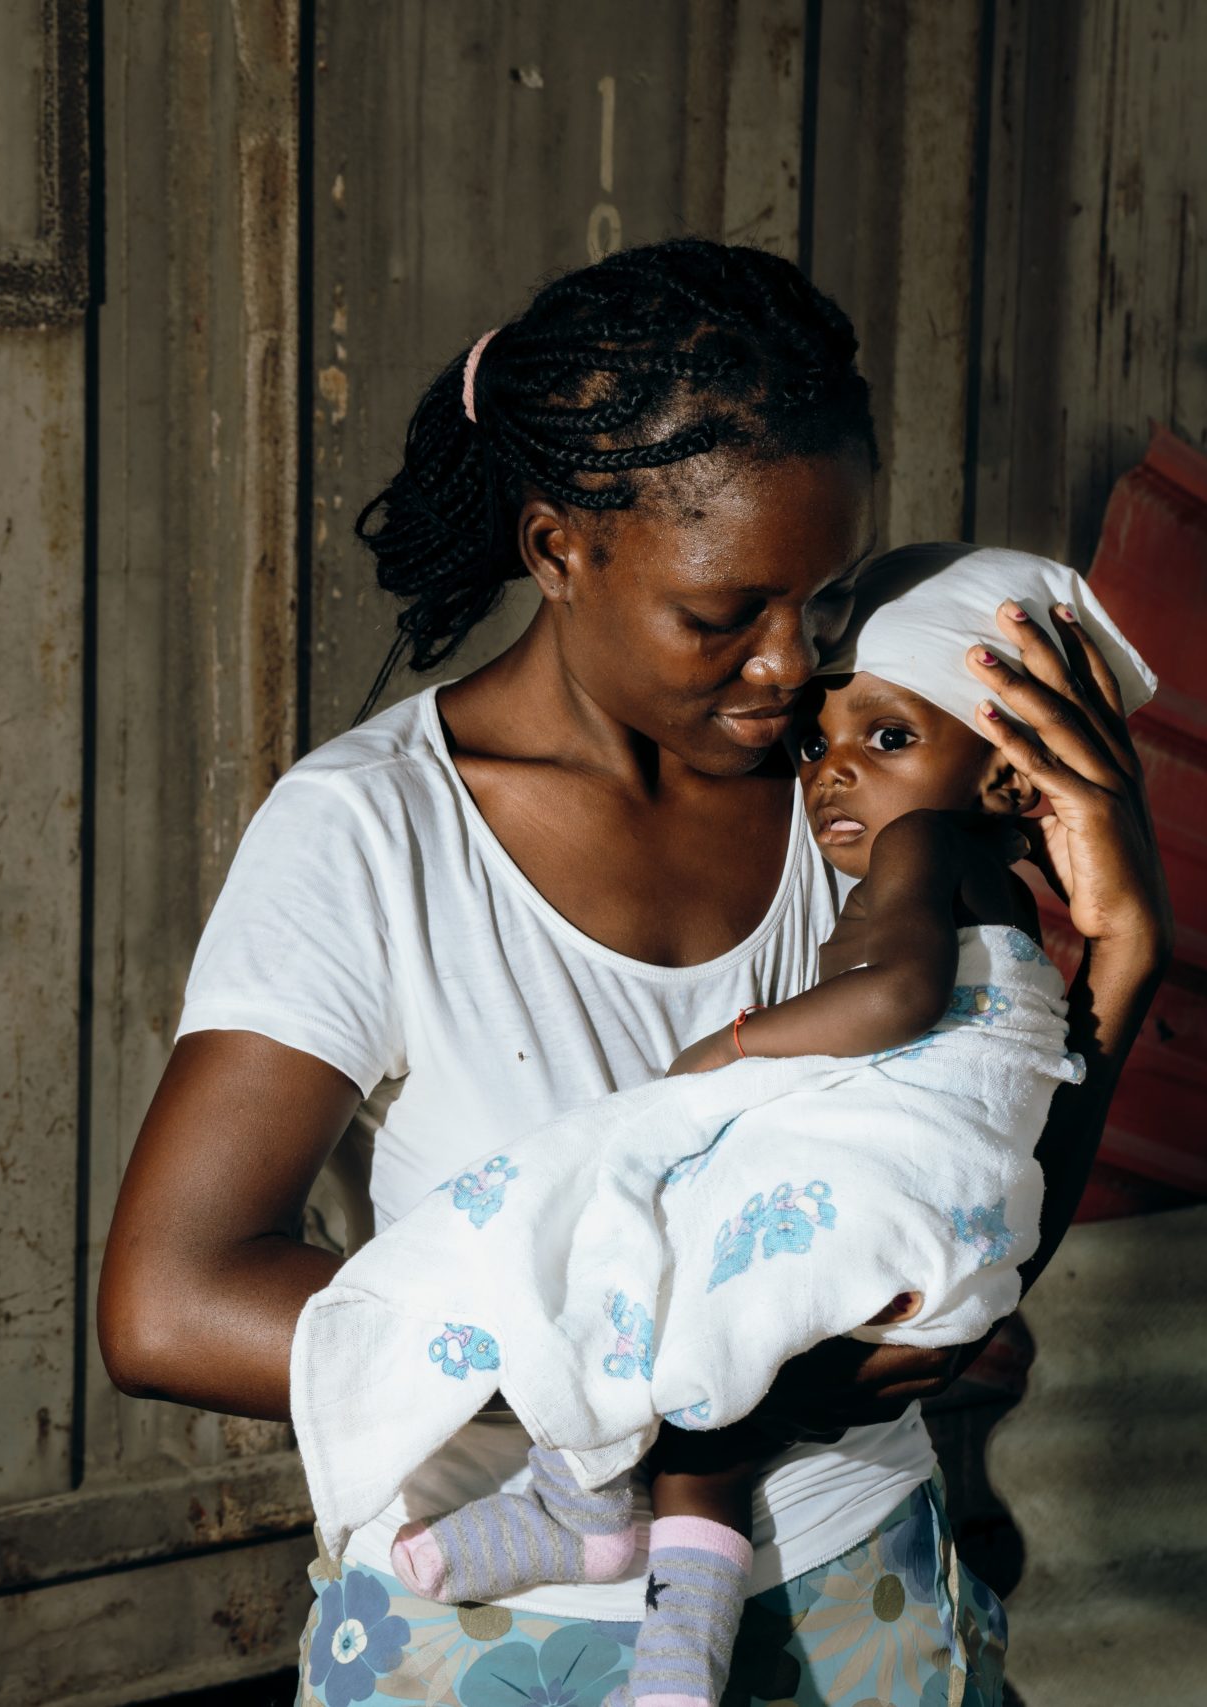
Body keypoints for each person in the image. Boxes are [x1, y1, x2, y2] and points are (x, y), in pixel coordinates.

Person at [94, 240, 1172, 1707]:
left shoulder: (851, 801)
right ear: (558, 551)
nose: (789, 666)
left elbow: (962, 1222)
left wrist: (1123, 956)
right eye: (724, 614)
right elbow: (170, 1302)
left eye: (822, 598)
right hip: (501, 1619)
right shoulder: (378, 833)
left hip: (857, 1583)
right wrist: (679, 1382)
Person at [297, 545, 1157, 1707]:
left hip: (857, 1534)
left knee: (664, 1259)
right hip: (606, 1606)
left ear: (1008, 774)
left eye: (886, 737)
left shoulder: (917, 845)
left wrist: (735, 1048)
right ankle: (633, 1564)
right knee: (706, 1334)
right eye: (817, 745)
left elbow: (901, 999)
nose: (829, 769)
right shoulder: (367, 819)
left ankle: (600, 1524)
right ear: (555, 552)